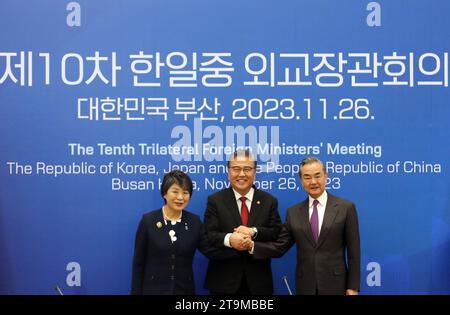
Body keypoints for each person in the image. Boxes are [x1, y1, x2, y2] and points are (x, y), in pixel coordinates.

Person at [247, 157, 361, 295]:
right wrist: (251, 246)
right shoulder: (293, 212)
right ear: (301, 181)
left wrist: (353, 287)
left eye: (317, 176)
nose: (313, 182)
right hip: (306, 286)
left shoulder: (345, 208)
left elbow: (354, 253)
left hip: (336, 284)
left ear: (325, 176)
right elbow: (279, 247)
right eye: (307, 177)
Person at [131, 170, 236, 295]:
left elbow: (211, 251)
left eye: (185, 192)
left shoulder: (194, 222)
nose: (180, 197)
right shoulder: (148, 221)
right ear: (164, 193)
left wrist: (238, 247)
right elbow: (138, 262)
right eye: (175, 191)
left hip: (184, 290)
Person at [203, 149, 282, 294]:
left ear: (255, 172)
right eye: (236, 169)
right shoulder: (215, 200)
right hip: (223, 282)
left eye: (247, 169)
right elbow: (209, 235)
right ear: (228, 172)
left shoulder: (269, 201)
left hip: (259, 283)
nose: (241, 174)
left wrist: (254, 232)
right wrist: (230, 239)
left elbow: (276, 233)